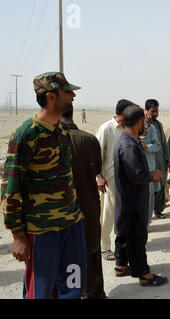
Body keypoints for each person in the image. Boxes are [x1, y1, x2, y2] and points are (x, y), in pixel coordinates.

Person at [0, 72, 86, 299]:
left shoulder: (63, 131)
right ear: (51, 97)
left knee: (73, 285)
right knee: (41, 291)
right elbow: (10, 189)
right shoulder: (26, 134)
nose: (73, 95)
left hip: (71, 224)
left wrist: (77, 214)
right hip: (42, 230)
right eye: (67, 91)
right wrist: (18, 236)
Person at [113, 105, 168, 287]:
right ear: (138, 122)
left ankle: (121, 265)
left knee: (125, 233)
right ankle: (144, 274)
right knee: (137, 237)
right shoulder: (129, 144)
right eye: (143, 121)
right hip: (134, 201)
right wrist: (154, 175)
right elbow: (137, 175)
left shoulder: (127, 139)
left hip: (128, 199)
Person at [61, 110, 107, 299]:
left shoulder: (46, 140)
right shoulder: (89, 140)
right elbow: (97, 170)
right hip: (88, 208)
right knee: (90, 254)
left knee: (65, 260)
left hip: (61, 216)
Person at [96, 99, 131, 261]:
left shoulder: (127, 129)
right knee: (107, 214)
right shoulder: (106, 129)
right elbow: (96, 156)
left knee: (122, 214)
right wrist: (99, 176)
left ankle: (122, 244)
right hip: (109, 180)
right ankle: (104, 247)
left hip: (125, 180)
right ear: (123, 113)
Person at [144, 99, 170, 219]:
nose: (155, 113)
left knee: (161, 184)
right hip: (148, 161)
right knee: (148, 188)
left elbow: (164, 143)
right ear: (146, 111)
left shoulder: (158, 125)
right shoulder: (141, 124)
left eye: (157, 111)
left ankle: (158, 209)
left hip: (160, 160)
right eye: (152, 111)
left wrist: (167, 160)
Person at [141, 105, 161, 227]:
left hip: (149, 167)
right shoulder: (131, 129)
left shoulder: (152, 129)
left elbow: (157, 146)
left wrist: (146, 147)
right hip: (136, 168)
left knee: (149, 198)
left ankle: (146, 224)